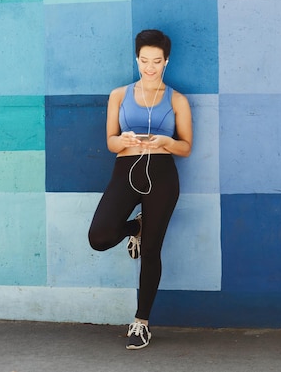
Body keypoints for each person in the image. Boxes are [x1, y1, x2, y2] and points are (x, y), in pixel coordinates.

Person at [88, 29, 193, 350]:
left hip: (162, 175)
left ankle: (141, 322)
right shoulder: (118, 95)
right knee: (100, 237)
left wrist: (166, 141)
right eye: (144, 61)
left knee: (150, 251)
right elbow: (110, 141)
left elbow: (186, 146)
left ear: (166, 61)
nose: (150, 67)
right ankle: (137, 226)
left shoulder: (177, 99)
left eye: (157, 61)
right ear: (137, 59)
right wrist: (122, 140)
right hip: (126, 171)